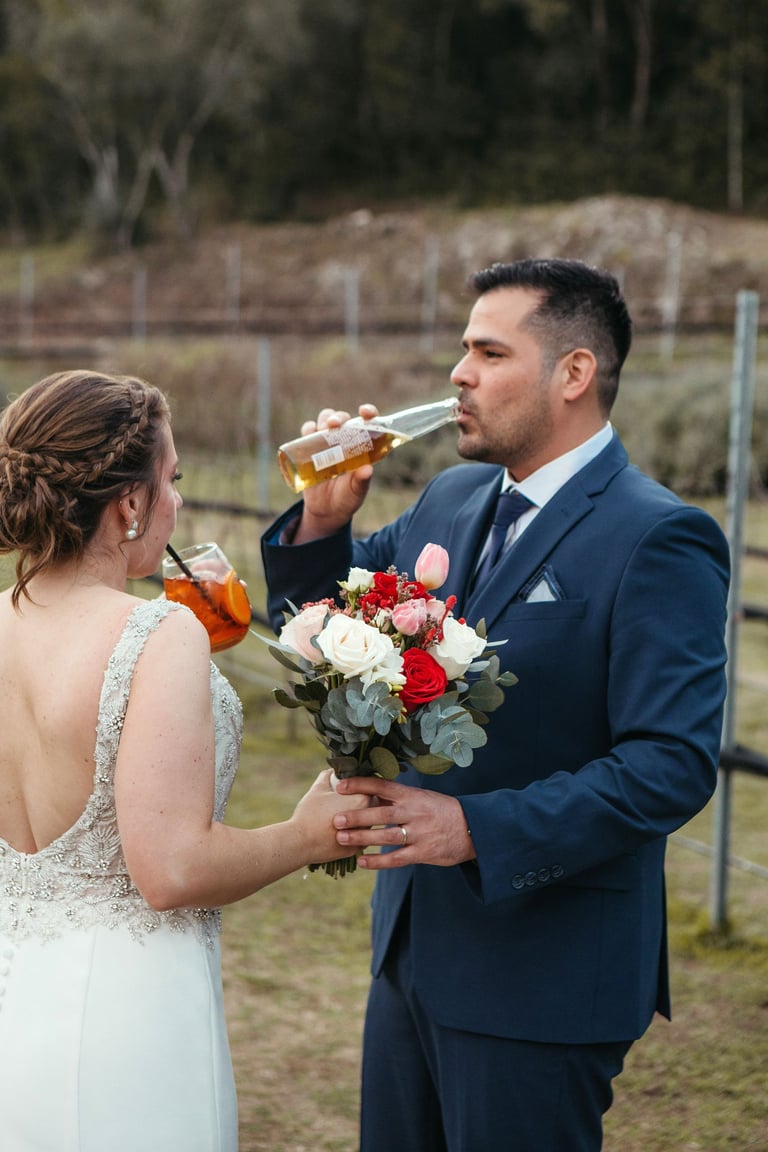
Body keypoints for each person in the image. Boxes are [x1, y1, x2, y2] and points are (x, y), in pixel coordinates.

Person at [261, 259, 731, 1152]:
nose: (459, 373)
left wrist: (475, 829)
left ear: (573, 373)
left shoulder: (659, 535)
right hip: (411, 950)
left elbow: (669, 766)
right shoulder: (451, 496)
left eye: (488, 352)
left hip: (544, 976)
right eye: (464, 350)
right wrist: (323, 522)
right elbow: (327, 630)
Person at [0, 369, 363, 1152]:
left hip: (15, 994)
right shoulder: (158, 634)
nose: (177, 503)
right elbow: (172, 870)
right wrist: (308, 834)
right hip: (128, 1017)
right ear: (129, 503)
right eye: (172, 480)